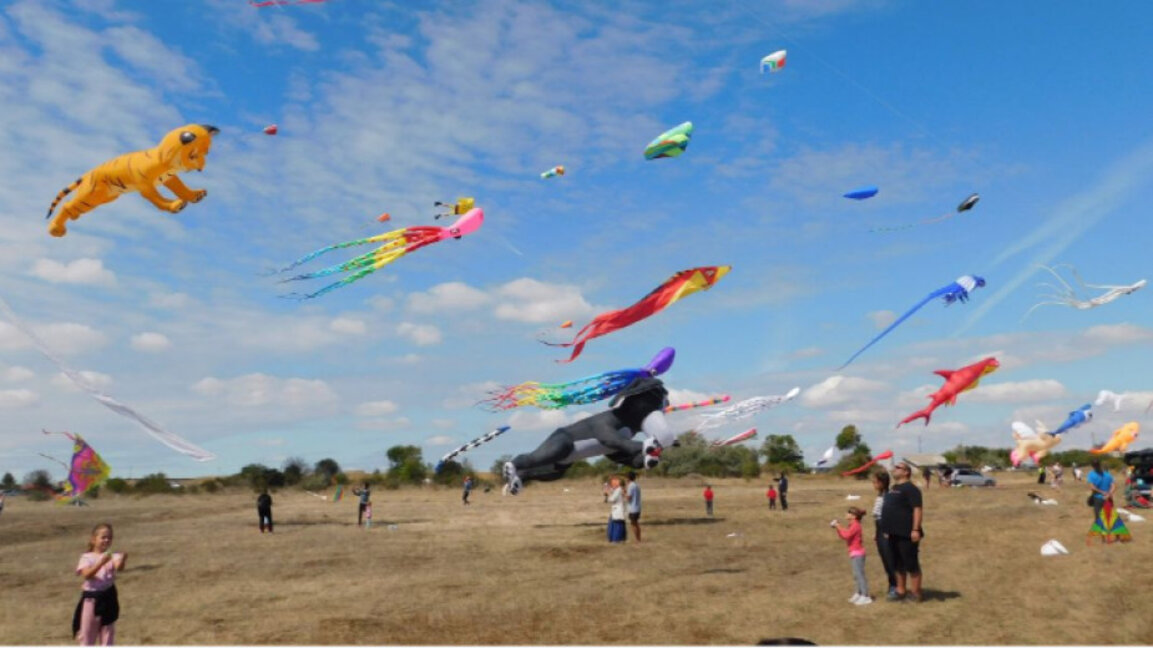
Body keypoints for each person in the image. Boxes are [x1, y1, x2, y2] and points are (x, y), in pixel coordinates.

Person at [73, 523, 126, 646]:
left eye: (109, 537)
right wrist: (101, 563)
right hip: (91, 601)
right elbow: (87, 575)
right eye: (103, 537)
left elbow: (119, 567)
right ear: (93, 539)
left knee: (107, 634)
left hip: (108, 599)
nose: (107, 540)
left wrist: (122, 560)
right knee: (87, 636)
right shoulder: (87, 557)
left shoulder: (112, 555)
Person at [881, 462, 923, 603]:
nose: (894, 469)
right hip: (893, 533)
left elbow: (917, 509)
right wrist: (886, 529)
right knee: (897, 564)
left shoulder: (911, 489)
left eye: (898, 467)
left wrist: (915, 529)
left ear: (906, 472)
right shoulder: (894, 488)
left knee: (911, 563)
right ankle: (900, 590)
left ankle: (916, 594)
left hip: (907, 533)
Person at [832, 506, 871, 605]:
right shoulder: (851, 525)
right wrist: (838, 528)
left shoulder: (856, 525)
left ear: (853, 516)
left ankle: (865, 596)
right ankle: (858, 593)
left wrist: (838, 526)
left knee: (860, 575)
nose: (846, 514)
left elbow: (847, 535)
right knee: (856, 575)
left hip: (858, 553)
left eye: (848, 513)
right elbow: (843, 536)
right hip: (854, 553)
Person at [1087, 459, 1130, 544]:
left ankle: (1104, 540)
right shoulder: (1107, 474)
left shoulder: (1091, 474)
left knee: (1099, 518)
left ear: (1092, 466)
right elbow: (1114, 486)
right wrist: (1109, 493)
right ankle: (1117, 538)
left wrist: (1102, 492)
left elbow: (1092, 487)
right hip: (1108, 498)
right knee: (1112, 517)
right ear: (1100, 464)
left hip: (1098, 499)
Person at [871, 471, 898, 600]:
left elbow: (891, 515)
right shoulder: (880, 495)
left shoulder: (888, 496)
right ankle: (891, 584)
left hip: (886, 530)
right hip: (879, 529)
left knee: (890, 560)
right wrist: (876, 532)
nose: (873, 484)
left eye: (875, 482)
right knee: (885, 560)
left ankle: (895, 586)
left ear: (882, 483)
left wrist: (887, 531)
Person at [606, 476, 626, 543]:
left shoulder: (619, 490)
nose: (612, 484)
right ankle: (614, 538)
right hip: (616, 510)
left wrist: (608, 495)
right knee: (613, 524)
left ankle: (616, 539)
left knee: (617, 525)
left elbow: (613, 499)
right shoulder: (617, 489)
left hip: (618, 510)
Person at [626, 471, 642, 542]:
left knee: (633, 524)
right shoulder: (636, 485)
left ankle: (637, 539)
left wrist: (624, 494)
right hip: (637, 507)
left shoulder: (630, 486)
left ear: (628, 478)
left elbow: (629, 497)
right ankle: (639, 538)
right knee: (636, 523)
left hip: (633, 508)